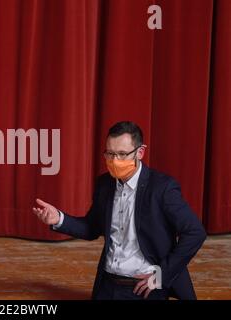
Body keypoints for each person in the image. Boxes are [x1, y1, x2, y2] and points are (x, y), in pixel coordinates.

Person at [33, 121, 206, 300]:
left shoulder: (162, 188)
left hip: (146, 289)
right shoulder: (104, 184)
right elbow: (92, 228)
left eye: (122, 154)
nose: (115, 161)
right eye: (110, 153)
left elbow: (195, 232)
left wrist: (161, 275)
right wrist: (58, 219)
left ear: (140, 152)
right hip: (107, 285)